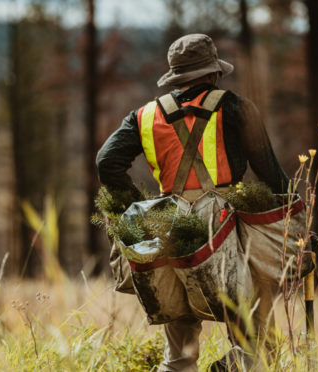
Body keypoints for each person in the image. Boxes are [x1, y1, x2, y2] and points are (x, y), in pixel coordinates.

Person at [96, 33, 290, 372]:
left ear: (176, 77)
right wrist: (298, 224)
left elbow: (106, 162)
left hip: (170, 230)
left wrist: (140, 213)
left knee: (179, 357)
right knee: (256, 349)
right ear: (213, 72)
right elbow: (272, 176)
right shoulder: (237, 108)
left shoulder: (144, 116)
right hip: (226, 233)